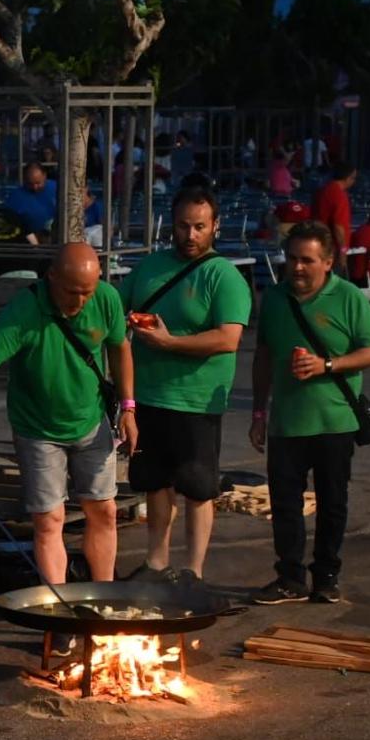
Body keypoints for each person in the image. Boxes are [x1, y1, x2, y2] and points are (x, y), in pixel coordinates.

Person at [0, 243, 138, 585]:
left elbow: (120, 348)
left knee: (104, 510)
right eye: (72, 292)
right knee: (49, 519)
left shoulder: (106, 298)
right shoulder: (23, 311)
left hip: (90, 419)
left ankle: (105, 597)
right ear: (51, 278)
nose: (81, 301)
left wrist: (129, 408)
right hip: (38, 429)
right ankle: (55, 608)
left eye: (88, 292)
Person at [119, 188, 250, 582]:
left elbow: (228, 339)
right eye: (182, 226)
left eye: (199, 227)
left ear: (215, 227)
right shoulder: (149, 267)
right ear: (170, 225)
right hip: (148, 395)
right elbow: (120, 313)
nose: (190, 235)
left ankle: (193, 570)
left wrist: (170, 342)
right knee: (154, 483)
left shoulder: (222, 275)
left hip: (195, 401)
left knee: (198, 487)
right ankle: (156, 562)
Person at [250, 223, 370, 605]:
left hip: (334, 422)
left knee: (332, 501)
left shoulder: (348, 298)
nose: (296, 268)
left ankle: (326, 575)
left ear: (327, 262)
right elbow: (263, 356)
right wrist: (259, 411)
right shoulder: (274, 299)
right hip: (286, 423)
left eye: (306, 260)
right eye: (291, 258)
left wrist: (327, 365)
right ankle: (289, 576)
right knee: (285, 503)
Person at [310, 163, 357, 256]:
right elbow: (338, 227)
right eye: (354, 178)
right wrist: (343, 251)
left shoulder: (322, 190)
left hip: (318, 240)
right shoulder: (339, 195)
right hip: (332, 247)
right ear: (348, 178)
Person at [2, 162, 58, 237]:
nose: (35, 187)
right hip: (29, 240)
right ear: (24, 179)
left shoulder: (58, 188)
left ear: (45, 176)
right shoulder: (16, 196)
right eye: (30, 184)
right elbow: (8, 222)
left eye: (38, 183)